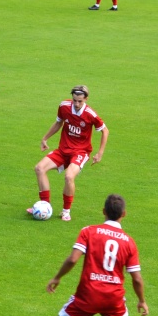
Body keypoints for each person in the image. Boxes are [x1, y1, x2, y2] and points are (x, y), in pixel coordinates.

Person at [30, 194, 149, 316]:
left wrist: (57, 277)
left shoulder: (89, 231)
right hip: (114, 298)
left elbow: (73, 259)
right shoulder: (129, 242)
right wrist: (142, 301)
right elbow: (136, 278)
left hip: (87, 295)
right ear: (124, 214)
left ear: (103, 212)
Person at [27, 85, 109, 222]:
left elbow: (105, 131)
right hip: (63, 149)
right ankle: (45, 206)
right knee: (39, 168)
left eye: (80, 101)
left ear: (86, 99)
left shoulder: (90, 114)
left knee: (69, 176)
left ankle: (66, 211)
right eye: (75, 100)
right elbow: (58, 123)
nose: (76, 104)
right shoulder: (64, 106)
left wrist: (100, 153)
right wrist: (45, 138)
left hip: (81, 152)